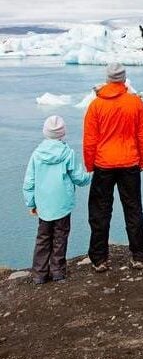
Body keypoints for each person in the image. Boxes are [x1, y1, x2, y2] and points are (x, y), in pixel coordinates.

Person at [83, 63, 143, 272]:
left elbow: (89, 139)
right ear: (123, 79)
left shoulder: (96, 106)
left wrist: (89, 164)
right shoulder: (135, 102)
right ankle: (138, 256)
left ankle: (99, 259)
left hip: (103, 164)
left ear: (108, 79)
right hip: (130, 162)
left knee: (100, 211)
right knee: (133, 209)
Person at [23, 115, 90, 284]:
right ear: (62, 134)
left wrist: (31, 203)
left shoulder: (36, 154)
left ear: (45, 132)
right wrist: (91, 174)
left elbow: (29, 181)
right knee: (60, 237)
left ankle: (39, 274)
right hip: (62, 204)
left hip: (44, 206)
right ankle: (58, 272)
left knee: (43, 238)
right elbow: (78, 178)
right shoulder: (68, 153)